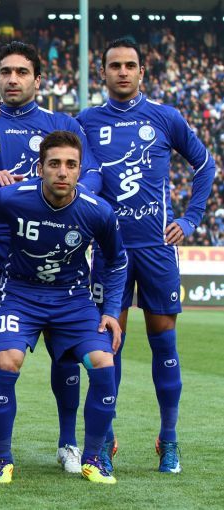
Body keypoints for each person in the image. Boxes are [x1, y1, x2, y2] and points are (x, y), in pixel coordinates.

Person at [77, 38, 216, 474]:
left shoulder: (165, 117)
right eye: (114, 65)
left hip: (157, 249)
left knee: (164, 342)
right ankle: (105, 439)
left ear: (142, 71)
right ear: (102, 72)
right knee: (108, 344)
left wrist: (191, 218)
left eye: (129, 65)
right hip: (109, 250)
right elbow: (45, 145)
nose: (122, 71)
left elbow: (205, 164)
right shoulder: (85, 121)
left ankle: (168, 439)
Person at [0, 41, 102, 473]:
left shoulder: (62, 124)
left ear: (38, 80)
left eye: (22, 72)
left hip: (57, 250)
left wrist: (60, 205)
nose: (12, 79)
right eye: (5, 72)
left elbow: (92, 176)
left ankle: (68, 443)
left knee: (67, 353)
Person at [0, 130, 127, 484]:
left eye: (71, 165)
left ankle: (92, 460)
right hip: (21, 295)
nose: (62, 172)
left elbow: (117, 261)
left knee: (103, 362)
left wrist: (110, 310)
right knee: (6, 360)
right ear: (40, 168)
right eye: (54, 164)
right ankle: (2, 460)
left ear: (80, 170)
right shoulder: (13, 198)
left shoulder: (97, 211)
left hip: (74, 300)